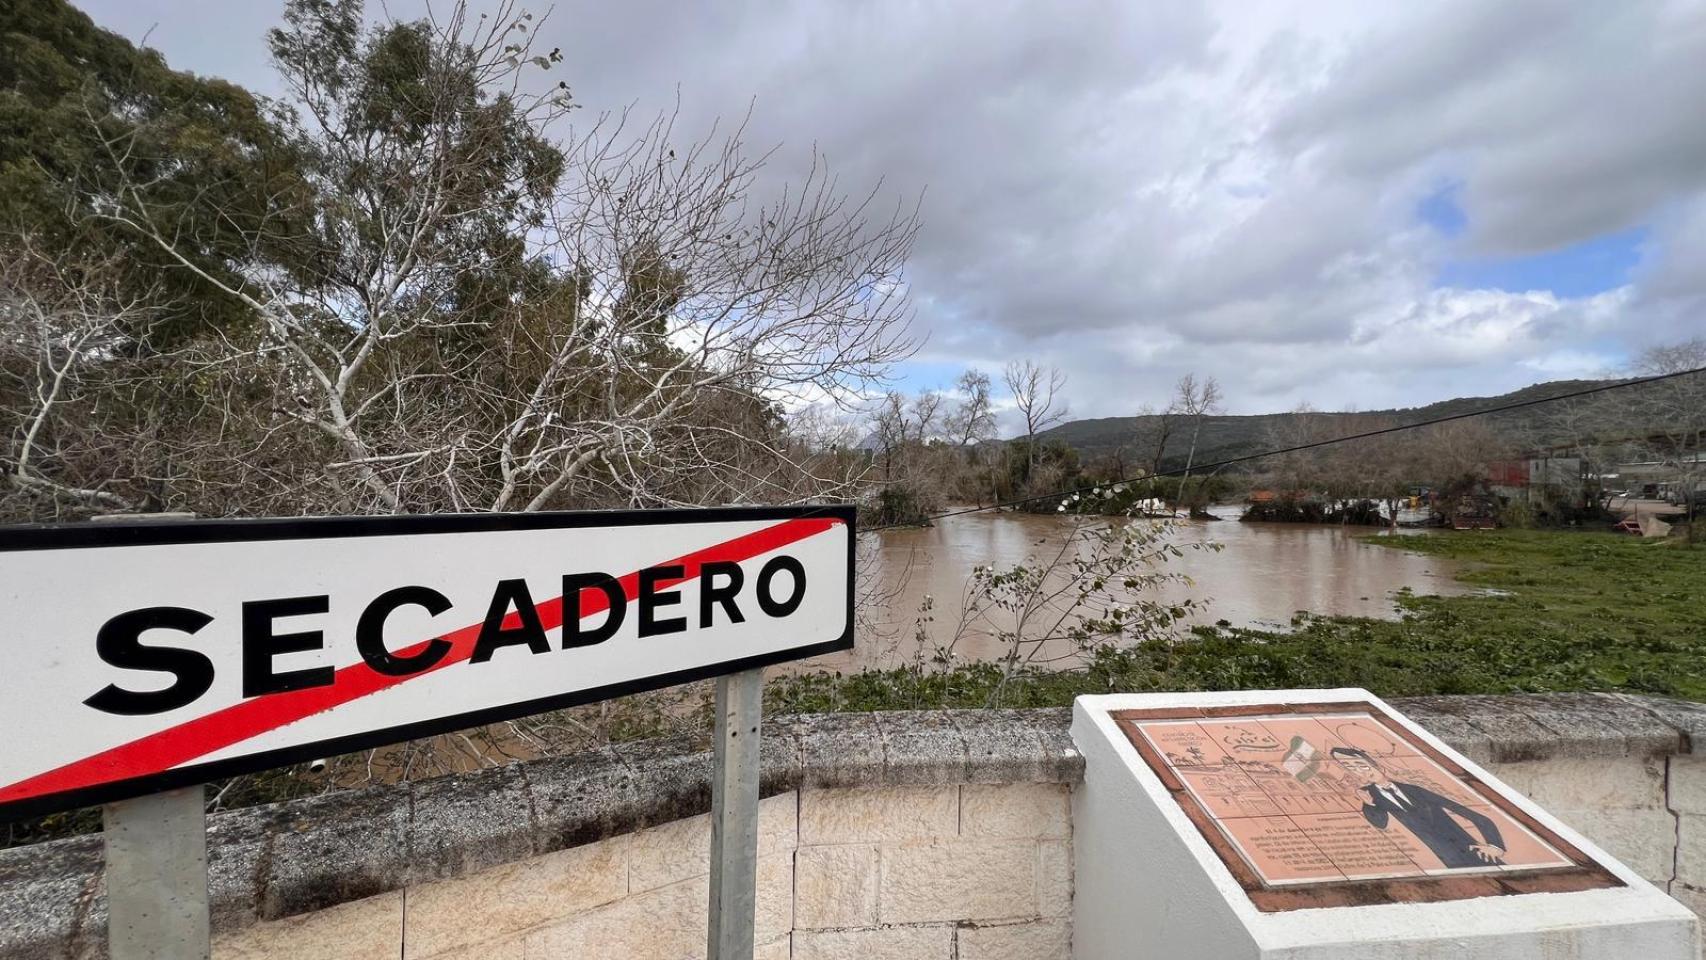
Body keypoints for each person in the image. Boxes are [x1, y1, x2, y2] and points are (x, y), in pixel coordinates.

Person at [1328, 746, 1505, 868]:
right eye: (1352, 768)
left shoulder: (1414, 790)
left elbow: (1468, 813)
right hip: (1441, 860)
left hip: (1470, 850)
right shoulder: (1369, 797)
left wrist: (1495, 846)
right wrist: (1370, 805)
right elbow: (1380, 824)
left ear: (1376, 765)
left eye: (1362, 765)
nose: (1361, 772)